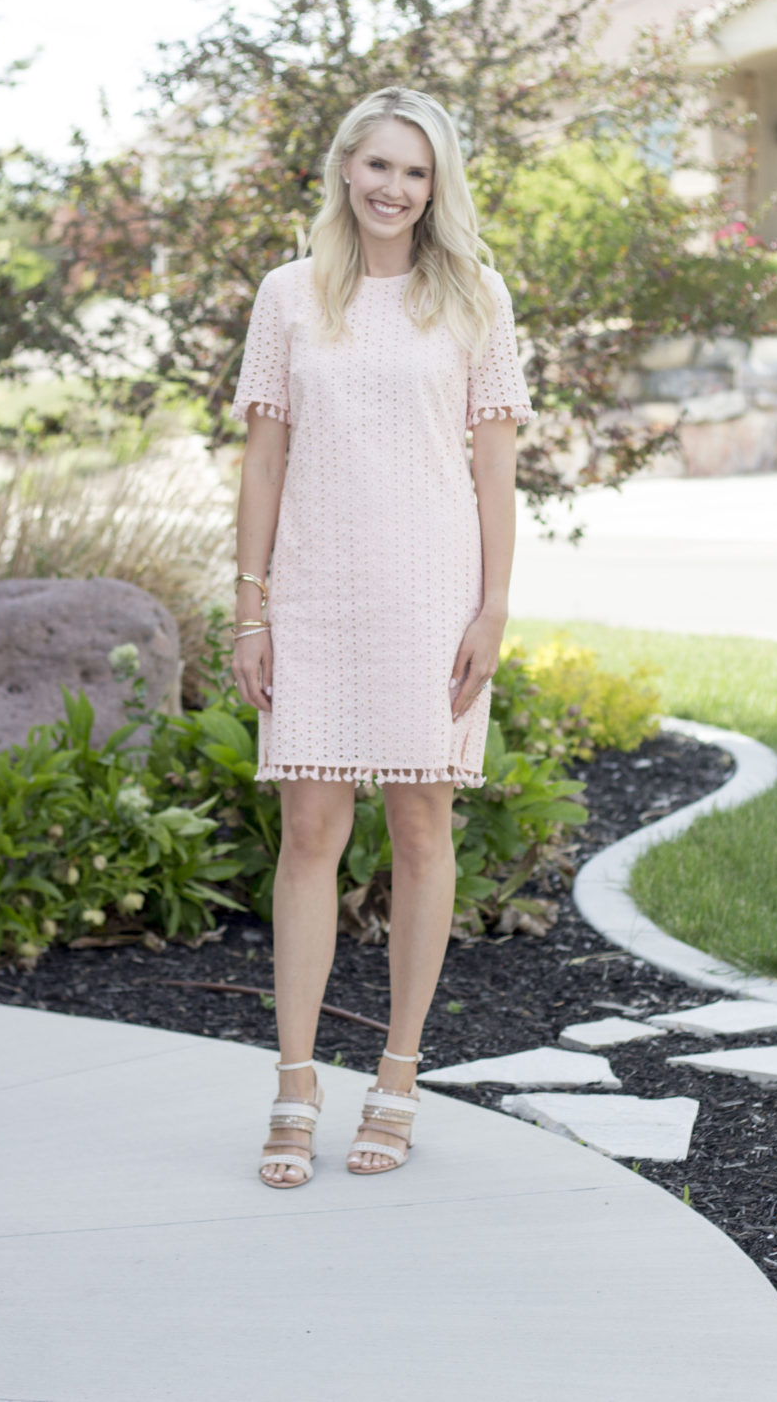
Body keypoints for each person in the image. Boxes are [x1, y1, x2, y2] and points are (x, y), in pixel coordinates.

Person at [229, 86, 534, 1188]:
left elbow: (495, 468)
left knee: (419, 827)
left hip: (428, 594)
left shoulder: (473, 298)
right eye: (378, 167)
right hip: (312, 591)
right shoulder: (288, 295)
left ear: (436, 183)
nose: (394, 189)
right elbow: (262, 459)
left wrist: (491, 607)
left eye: (414, 171)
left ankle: (398, 1075)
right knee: (309, 829)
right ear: (343, 170)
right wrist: (249, 608)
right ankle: (297, 1082)